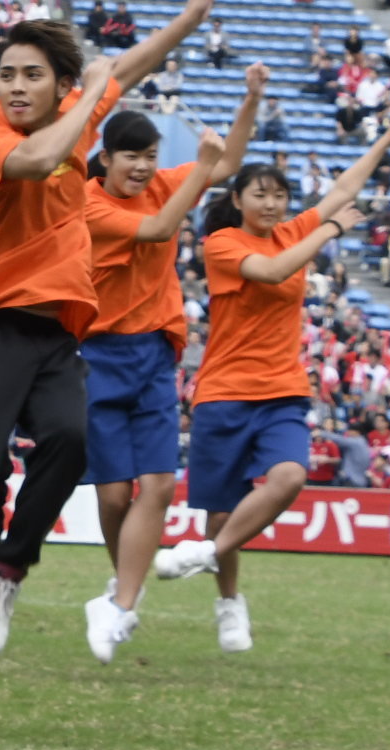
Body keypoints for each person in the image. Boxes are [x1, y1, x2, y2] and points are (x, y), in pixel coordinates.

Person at [0, 0, 231, 681]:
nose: (14, 85)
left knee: (69, 440)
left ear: (55, 82)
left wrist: (190, 16)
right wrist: (89, 94)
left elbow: (129, 64)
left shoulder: (79, 111)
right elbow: (37, 159)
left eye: (31, 74)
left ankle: (5, 577)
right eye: (5, 74)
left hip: (55, 334)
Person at [161, 105, 390, 651]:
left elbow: (347, 183)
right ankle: (229, 601)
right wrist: (328, 227)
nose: (272, 204)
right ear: (237, 200)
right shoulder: (223, 244)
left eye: (279, 195)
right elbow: (275, 271)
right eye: (260, 194)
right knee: (222, 508)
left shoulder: (293, 230)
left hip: (282, 389)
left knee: (290, 478)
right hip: (224, 391)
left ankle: (208, 558)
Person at [76, 76, 257, 664]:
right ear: (105, 158)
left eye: (152, 157)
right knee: (110, 497)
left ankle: (122, 604)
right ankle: (119, 586)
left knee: (155, 486)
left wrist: (249, 98)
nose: (143, 167)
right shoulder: (90, 202)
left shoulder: (164, 185)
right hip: (96, 356)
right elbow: (156, 228)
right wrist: (196, 170)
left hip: (154, 354)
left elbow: (228, 161)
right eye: (132, 155)